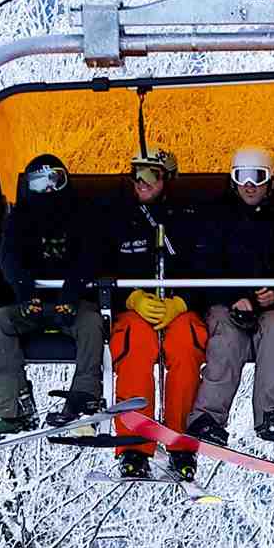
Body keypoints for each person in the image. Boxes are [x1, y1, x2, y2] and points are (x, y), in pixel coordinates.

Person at [185, 145, 274, 453]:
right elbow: (204, 267)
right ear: (233, 180)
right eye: (242, 177)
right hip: (227, 301)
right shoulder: (217, 218)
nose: (250, 185)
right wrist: (234, 298)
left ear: (271, 181)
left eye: (258, 177)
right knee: (227, 335)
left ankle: (272, 413)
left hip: (272, 305)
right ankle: (208, 417)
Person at [0, 154, 107, 436]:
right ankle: (14, 409)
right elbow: (9, 259)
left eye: (55, 180)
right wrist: (26, 294)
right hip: (33, 305)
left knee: (91, 323)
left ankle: (84, 398)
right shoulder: (19, 220)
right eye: (40, 183)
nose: (48, 189)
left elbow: (90, 256)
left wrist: (71, 293)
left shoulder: (81, 215)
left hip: (72, 303)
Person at [102, 147, 206, 480]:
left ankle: (180, 442)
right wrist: (131, 297)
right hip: (135, 310)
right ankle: (134, 446)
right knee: (135, 343)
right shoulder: (118, 219)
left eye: (151, 175)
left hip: (178, 309)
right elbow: (98, 265)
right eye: (136, 174)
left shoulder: (190, 219)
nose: (142, 182)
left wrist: (183, 301)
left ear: (168, 179)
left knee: (186, 344)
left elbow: (209, 267)